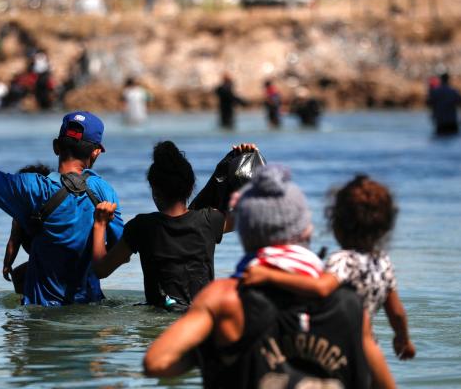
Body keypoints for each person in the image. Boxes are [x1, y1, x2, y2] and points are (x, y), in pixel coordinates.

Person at [143, 165, 381, 388]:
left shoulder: (224, 298)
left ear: (245, 234)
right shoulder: (350, 302)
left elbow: (155, 362)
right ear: (306, 231)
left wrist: (213, 350)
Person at [0, 76, 124, 306]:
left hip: (42, 324)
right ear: (96, 153)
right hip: (92, 315)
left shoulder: (31, 187)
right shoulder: (105, 193)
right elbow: (121, 250)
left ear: (56, 146)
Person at [243, 174, 415, 382]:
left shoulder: (342, 261)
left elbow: (320, 289)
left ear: (336, 223)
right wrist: (403, 339)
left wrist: (270, 275)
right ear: (385, 227)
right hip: (373, 356)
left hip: (341, 353)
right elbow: (396, 313)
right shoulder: (383, 262)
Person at [91, 142, 256, 311]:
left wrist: (100, 224)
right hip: (201, 317)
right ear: (191, 187)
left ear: (154, 191)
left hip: (158, 319)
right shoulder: (210, 220)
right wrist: (249, 161)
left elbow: (101, 270)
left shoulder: (141, 227)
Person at [2, 164, 52, 295]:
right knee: (19, 275)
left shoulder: (54, 210)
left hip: (58, 259)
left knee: (19, 275)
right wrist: (7, 264)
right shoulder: (20, 214)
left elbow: (14, 239)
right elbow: (14, 240)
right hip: (43, 260)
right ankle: (29, 300)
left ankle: (27, 303)